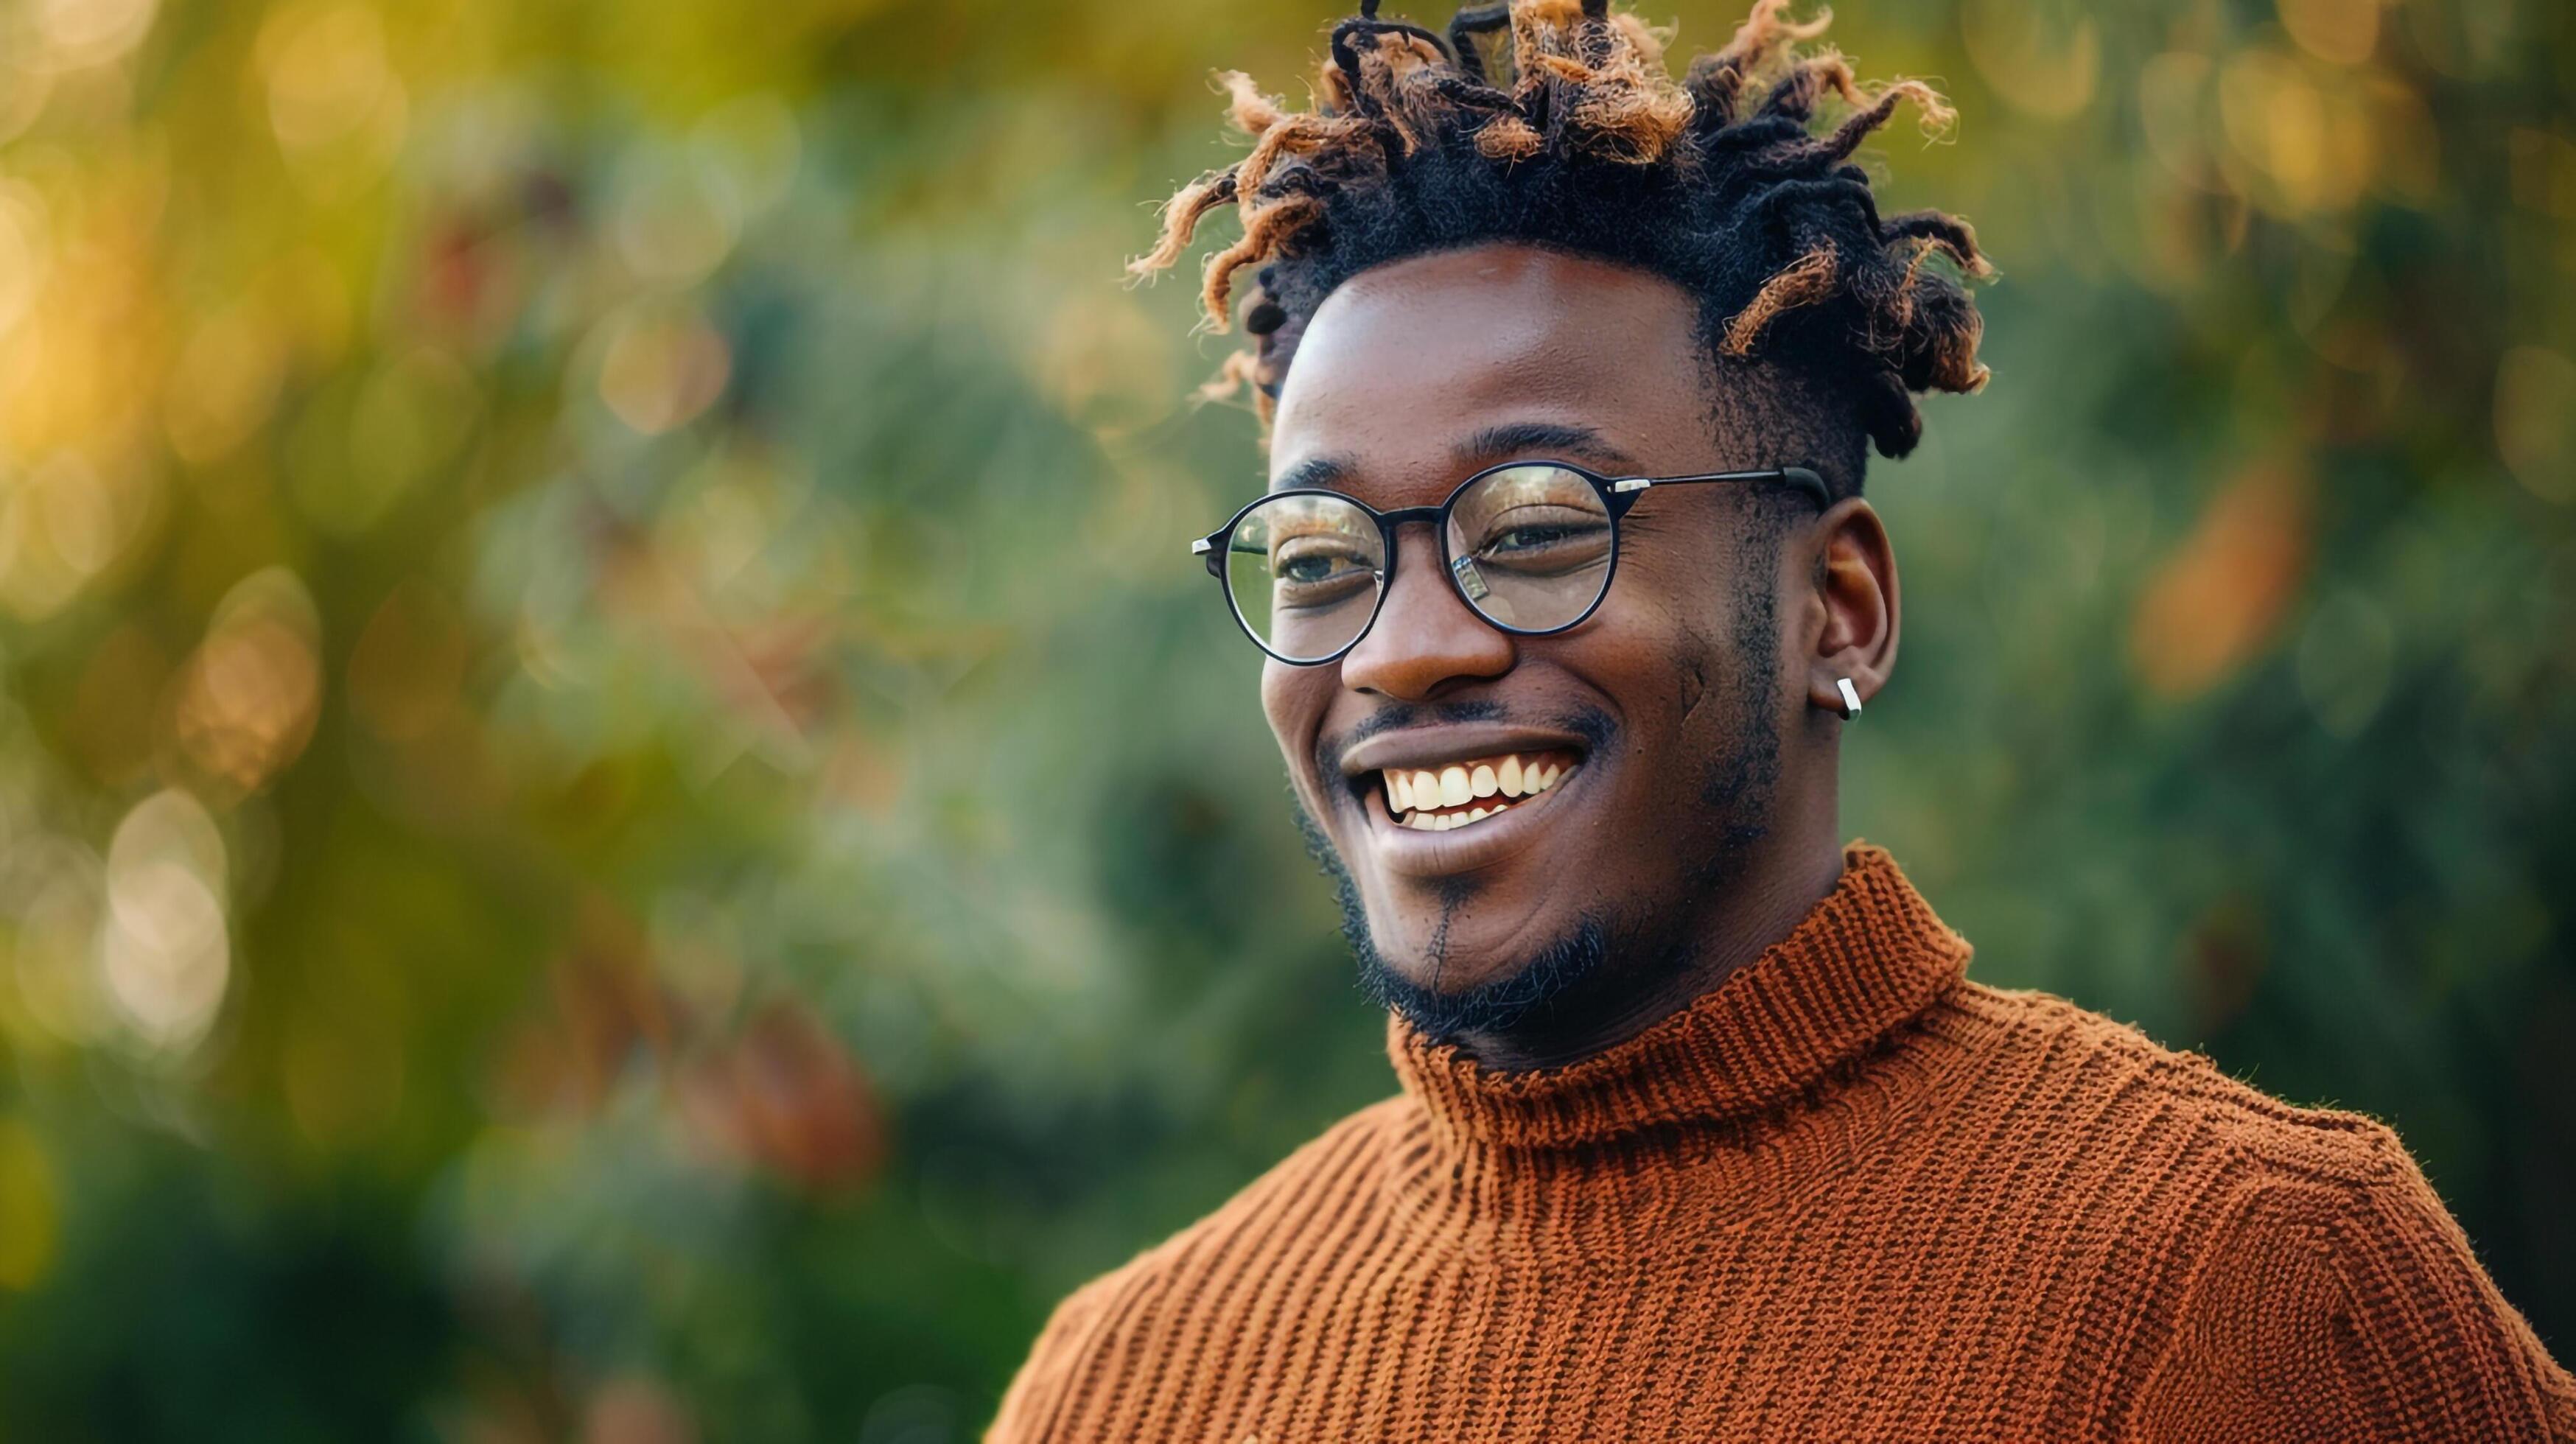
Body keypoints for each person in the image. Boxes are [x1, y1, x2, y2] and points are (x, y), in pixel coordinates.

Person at [987, 1, 2576, 1438]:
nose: (1399, 653)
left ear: (1838, 607)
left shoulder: (2241, 1286)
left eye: (1536, 528)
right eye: (1324, 559)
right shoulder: (1132, 1375)